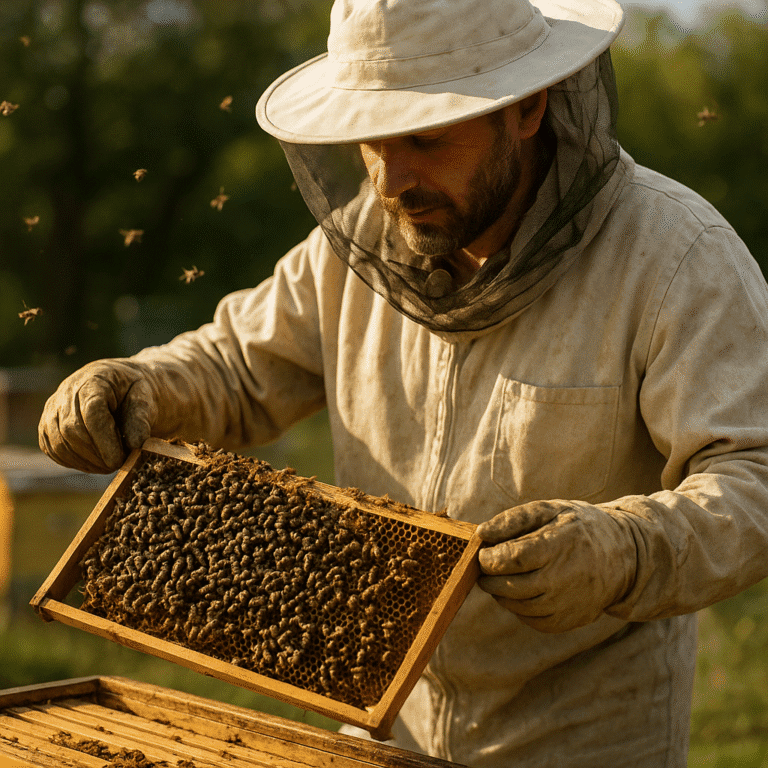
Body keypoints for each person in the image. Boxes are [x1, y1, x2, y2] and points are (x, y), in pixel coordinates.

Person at [38, 0, 768, 765]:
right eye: (372, 142)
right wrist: (139, 383)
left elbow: (752, 477)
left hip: (582, 732)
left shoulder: (677, 258)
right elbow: (238, 364)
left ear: (525, 109)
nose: (394, 180)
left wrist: (625, 548)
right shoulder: (361, 240)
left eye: (425, 137)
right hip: (380, 724)